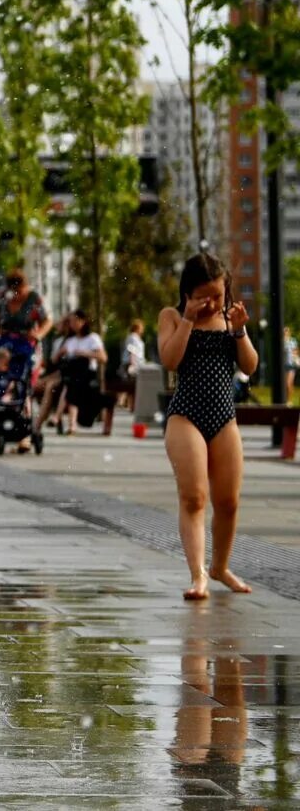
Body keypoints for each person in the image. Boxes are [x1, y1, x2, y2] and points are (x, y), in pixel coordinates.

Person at [158, 253, 257, 602]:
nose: (212, 303)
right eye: (204, 296)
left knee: (228, 501)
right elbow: (170, 360)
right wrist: (187, 319)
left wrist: (241, 331)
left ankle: (220, 567)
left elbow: (249, 366)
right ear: (187, 293)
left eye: (218, 295)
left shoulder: (230, 320)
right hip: (186, 416)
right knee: (194, 497)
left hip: (223, 418)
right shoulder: (171, 317)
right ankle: (198, 575)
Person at [0, 269, 53, 453]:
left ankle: (24, 434)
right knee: (1, 379)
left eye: (20, 291)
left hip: (28, 347)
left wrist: (38, 334)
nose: (17, 295)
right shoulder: (0, 296)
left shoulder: (35, 298)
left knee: (24, 385)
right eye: (14, 292)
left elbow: (48, 320)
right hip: (5, 346)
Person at [111, 319, 147, 417]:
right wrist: (132, 363)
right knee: (131, 385)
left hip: (137, 363)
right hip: (133, 363)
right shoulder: (133, 337)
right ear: (137, 328)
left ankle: (131, 405)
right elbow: (132, 350)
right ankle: (128, 404)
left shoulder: (136, 338)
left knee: (132, 386)